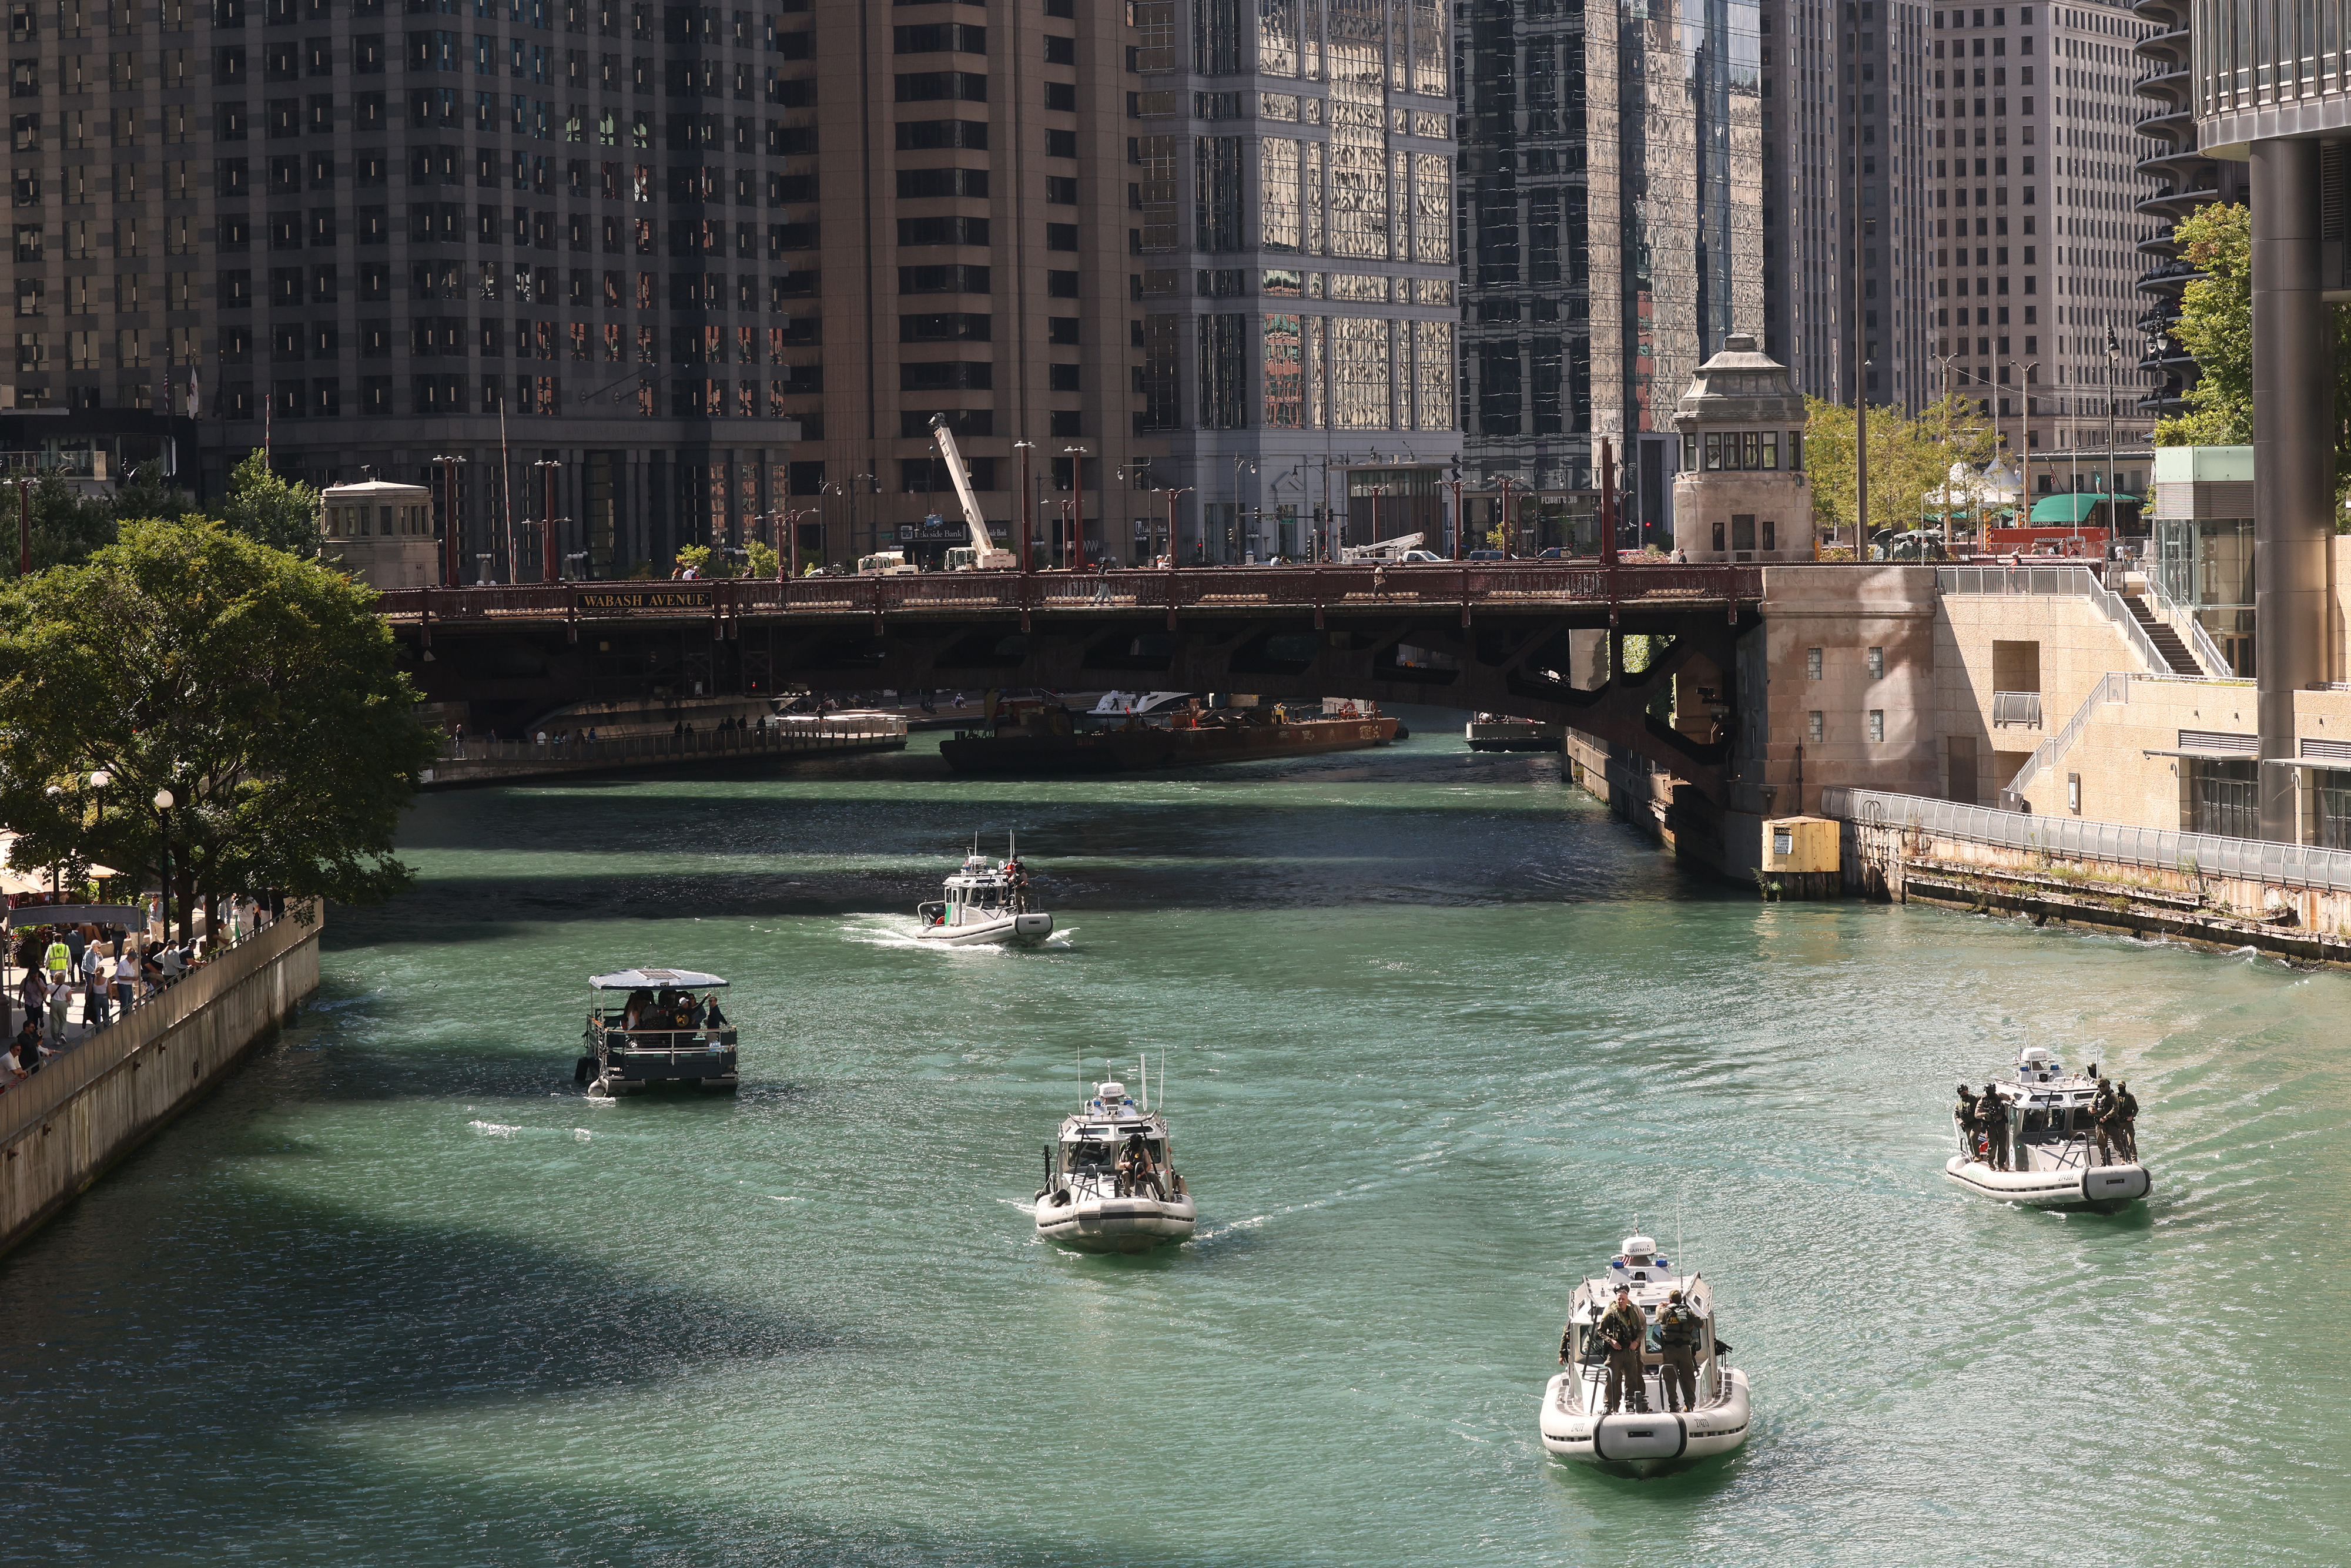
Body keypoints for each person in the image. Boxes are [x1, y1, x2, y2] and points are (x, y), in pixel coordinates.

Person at [1596, 1285, 1649, 1415]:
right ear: (1616, 1298)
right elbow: (1601, 1331)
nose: (1621, 1301)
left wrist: (1636, 1342)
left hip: (1631, 1350)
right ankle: (1610, 1406)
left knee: (1633, 1377)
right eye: (1619, 1298)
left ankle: (1632, 1404)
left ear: (1627, 1298)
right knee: (1612, 1377)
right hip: (1615, 1350)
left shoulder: (1635, 1311)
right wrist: (1611, 1341)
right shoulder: (1609, 1312)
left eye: (1623, 1299)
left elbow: (1642, 1329)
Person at [1656, 1290, 1701, 1412]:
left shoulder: (1664, 1312)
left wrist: (1663, 1304)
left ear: (1670, 1300)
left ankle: (1674, 1406)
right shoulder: (1687, 1312)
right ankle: (1690, 1404)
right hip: (1685, 1350)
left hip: (1669, 1350)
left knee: (1670, 1379)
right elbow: (1701, 1325)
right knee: (1688, 1377)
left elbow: (1657, 1310)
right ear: (1681, 1300)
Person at [2088, 1077, 2120, 1165]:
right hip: (2100, 1124)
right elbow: (2090, 1105)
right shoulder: (2096, 1096)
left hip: (2111, 1123)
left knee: (2117, 1142)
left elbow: (2115, 1109)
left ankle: (2123, 1159)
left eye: (2103, 1086)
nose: (2101, 1088)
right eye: (2099, 1086)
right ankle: (2104, 1161)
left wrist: (2107, 1116)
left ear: (2107, 1086)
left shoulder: (2112, 1096)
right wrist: (2091, 1110)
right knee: (2101, 1144)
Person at [1980, 1083, 2008, 1170]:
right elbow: (1977, 1114)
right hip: (1990, 1126)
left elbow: (2007, 1097)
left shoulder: (1999, 1096)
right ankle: (1991, 1162)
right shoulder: (1983, 1101)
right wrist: (1986, 1114)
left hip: (2000, 1124)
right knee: (1992, 1145)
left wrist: (2012, 1097)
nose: (1993, 1092)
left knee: (2002, 1145)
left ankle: (2001, 1165)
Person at [2116, 1081, 2140, 1161]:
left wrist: (2132, 1116)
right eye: (2119, 1086)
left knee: (2131, 1141)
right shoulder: (2116, 1096)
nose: (2120, 1088)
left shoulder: (2130, 1096)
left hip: (2128, 1121)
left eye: (2122, 1086)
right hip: (2119, 1122)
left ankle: (2134, 1159)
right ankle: (2123, 1158)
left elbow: (2136, 1109)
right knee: (2120, 1141)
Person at [1954, 1082, 1979, 1158]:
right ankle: (1974, 1155)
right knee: (1970, 1141)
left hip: (1976, 1123)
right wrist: (1959, 1121)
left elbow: (1982, 1097)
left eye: (1965, 1090)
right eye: (1962, 1091)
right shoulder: (1959, 1104)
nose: (1964, 1092)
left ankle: (1977, 1156)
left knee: (1973, 1137)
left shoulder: (1974, 1098)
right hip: (1967, 1125)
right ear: (1959, 1093)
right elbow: (1956, 1114)